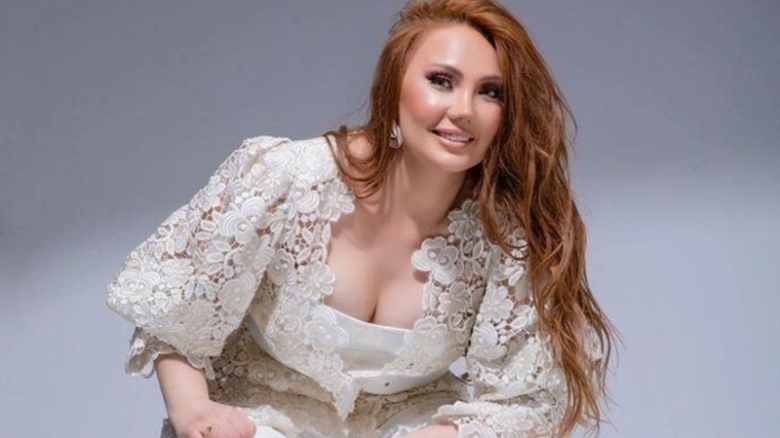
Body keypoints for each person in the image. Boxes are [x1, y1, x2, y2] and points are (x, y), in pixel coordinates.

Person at [107, 0, 616, 437]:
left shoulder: (503, 239)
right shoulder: (286, 178)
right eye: (441, 81)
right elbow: (174, 315)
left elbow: (525, 401)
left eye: (490, 92)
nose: (464, 109)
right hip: (259, 424)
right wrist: (194, 411)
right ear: (394, 86)